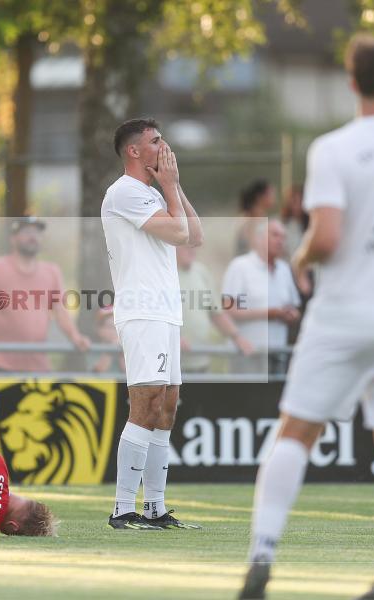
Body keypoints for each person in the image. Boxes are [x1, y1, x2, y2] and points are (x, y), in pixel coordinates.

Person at [240, 35, 374, 600]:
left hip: (343, 315)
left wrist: (302, 254)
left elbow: (330, 236)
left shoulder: (334, 148)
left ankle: (262, 553)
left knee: (297, 430)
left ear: (351, 83)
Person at [101, 117, 203, 530]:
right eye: (155, 141)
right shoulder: (124, 191)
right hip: (143, 311)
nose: (164, 146)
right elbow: (179, 234)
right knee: (145, 404)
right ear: (134, 151)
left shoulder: (150, 192)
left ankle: (155, 508)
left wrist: (172, 187)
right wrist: (170, 189)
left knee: (167, 405)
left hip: (164, 312)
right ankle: (123, 508)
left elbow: (195, 236)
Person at [0, 216, 90, 373]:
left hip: (38, 366)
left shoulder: (52, 272)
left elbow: (60, 311)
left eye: (37, 233)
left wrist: (75, 337)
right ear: (13, 239)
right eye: (27, 232)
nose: (33, 236)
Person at [222, 220, 301, 374]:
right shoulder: (240, 266)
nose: (280, 241)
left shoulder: (284, 269)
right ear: (259, 239)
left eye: (283, 237)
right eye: (275, 235)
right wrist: (270, 313)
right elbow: (227, 309)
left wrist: (291, 315)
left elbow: (294, 307)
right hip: (247, 355)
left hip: (278, 355)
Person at [176, 244, 253, 373]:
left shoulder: (200, 272)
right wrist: (172, 337)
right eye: (186, 245)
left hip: (201, 362)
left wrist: (237, 337)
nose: (192, 250)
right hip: (173, 366)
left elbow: (217, 313)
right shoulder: (164, 274)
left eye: (193, 245)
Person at [235, 180, 276, 255]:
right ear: (259, 197)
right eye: (270, 194)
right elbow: (252, 248)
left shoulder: (262, 219)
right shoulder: (249, 220)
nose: (274, 197)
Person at [88, 306, 125, 374]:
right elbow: (98, 372)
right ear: (99, 329)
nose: (113, 331)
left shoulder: (126, 347)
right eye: (109, 326)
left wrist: (121, 351)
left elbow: (128, 372)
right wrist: (111, 349)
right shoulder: (93, 348)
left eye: (116, 326)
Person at [279, 184, 308, 258]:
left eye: (300, 201)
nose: (297, 205)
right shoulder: (283, 225)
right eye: (294, 202)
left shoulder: (311, 224)